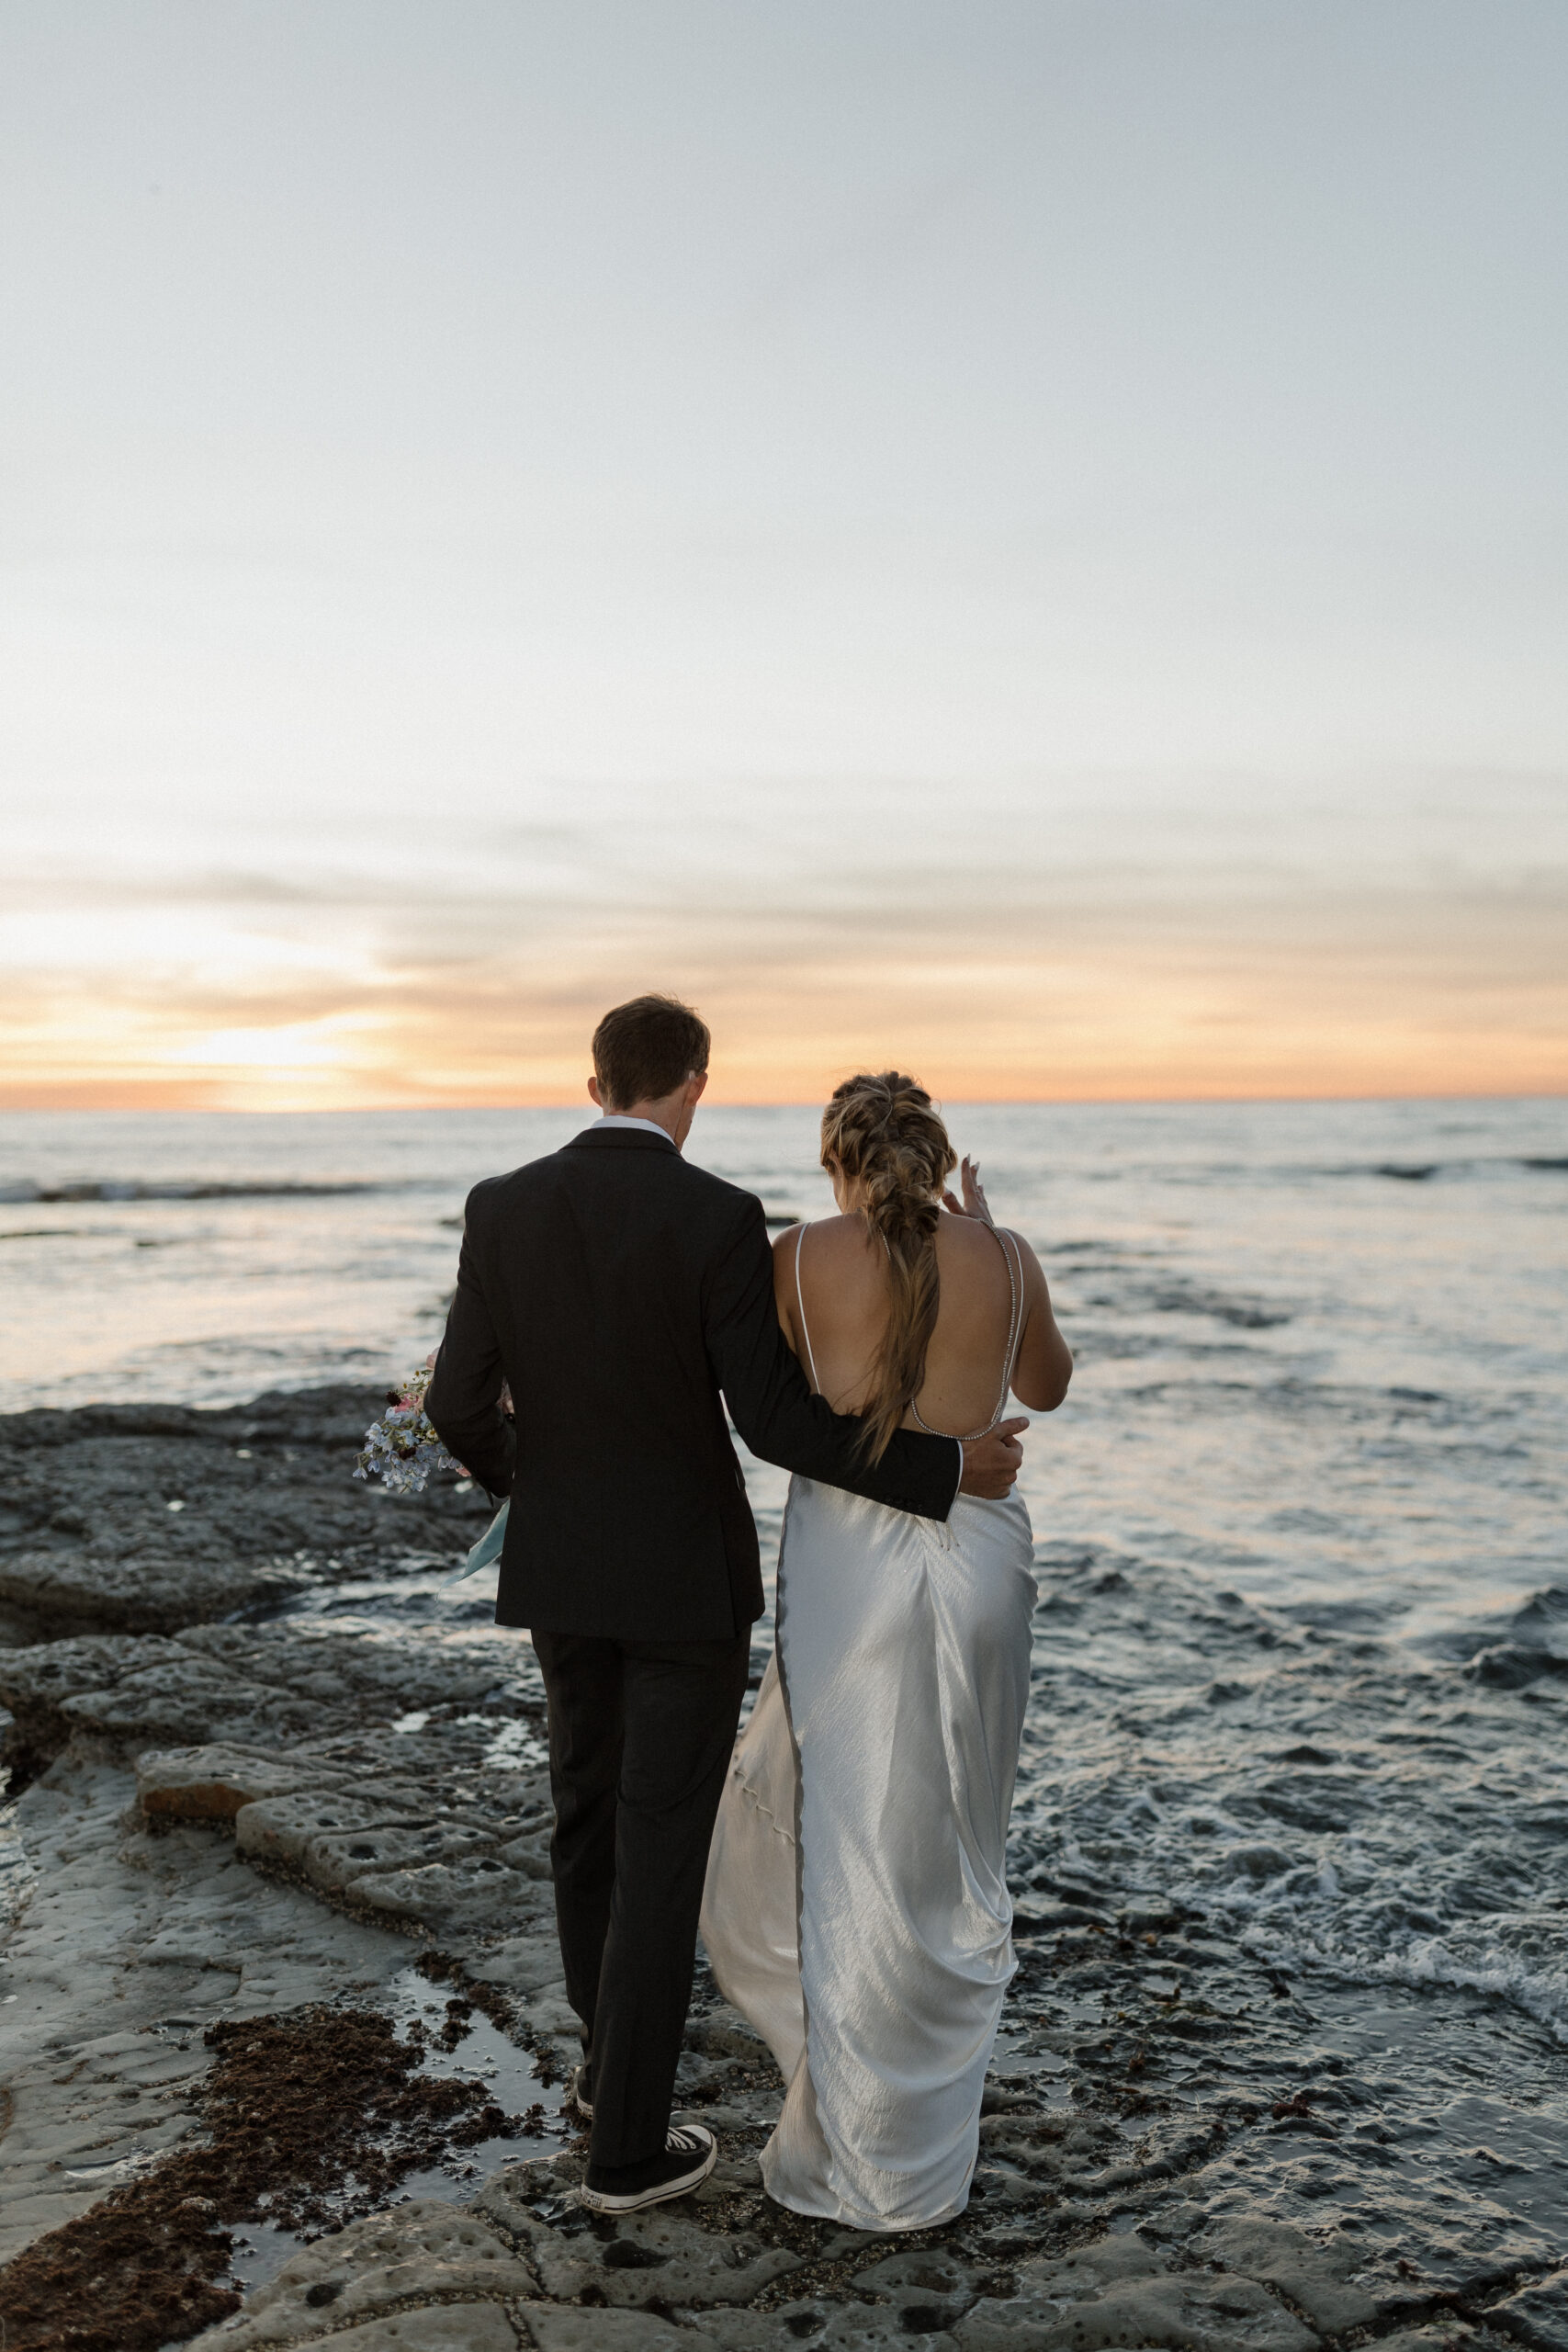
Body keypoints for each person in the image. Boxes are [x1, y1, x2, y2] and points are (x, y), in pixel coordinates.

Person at [424, 1001, 1027, 2217]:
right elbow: (773, 1425)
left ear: (593, 1080)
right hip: (685, 1584)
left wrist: (523, 1486)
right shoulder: (714, 1216)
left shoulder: (501, 1204)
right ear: (692, 1084)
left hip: (562, 1576)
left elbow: (454, 1405)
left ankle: (607, 2076)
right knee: (660, 1846)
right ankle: (624, 2154)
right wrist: (941, 1471)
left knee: (584, 1815)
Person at [699, 1072, 1072, 2231]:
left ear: (837, 1161)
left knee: (845, 1838)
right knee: (953, 1842)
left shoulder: (797, 1258)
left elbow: (783, 1415)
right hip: (984, 1564)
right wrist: (990, 1240)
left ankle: (852, 2143)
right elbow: (1045, 1387)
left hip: (848, 1568)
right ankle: (924, 2155)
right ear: (939, 1152)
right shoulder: (1002, 1253)